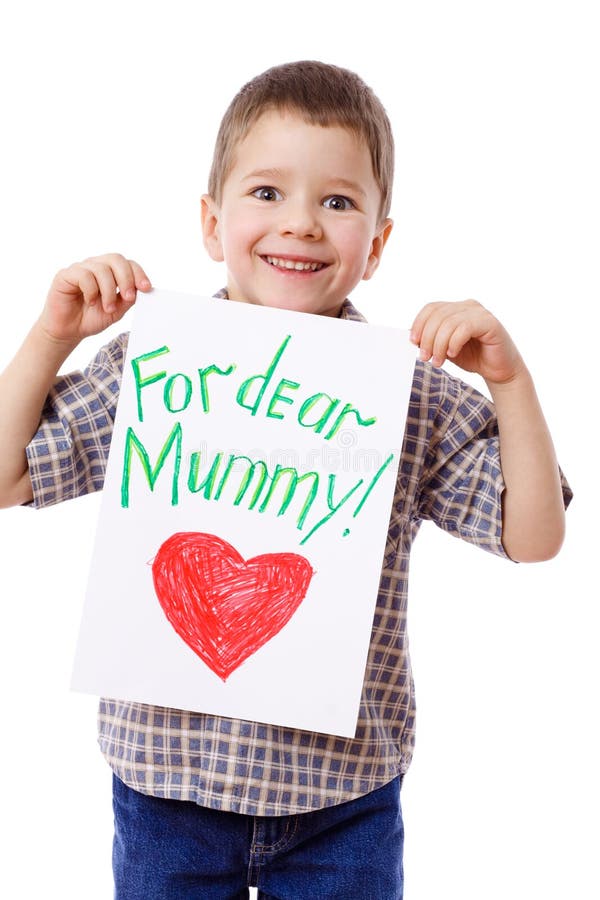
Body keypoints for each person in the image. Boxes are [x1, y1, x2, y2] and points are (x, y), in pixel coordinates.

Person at [0, 60, 571, 899]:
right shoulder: (151, 367)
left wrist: (511, 383)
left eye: (337, 202)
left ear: (376, 245)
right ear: (211, 221)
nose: (300, 223)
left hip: (343, 804)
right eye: (266, 192)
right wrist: (53, 337)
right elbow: (8, 478)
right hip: (167, 790)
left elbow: (535, 538)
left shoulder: (406, 393)